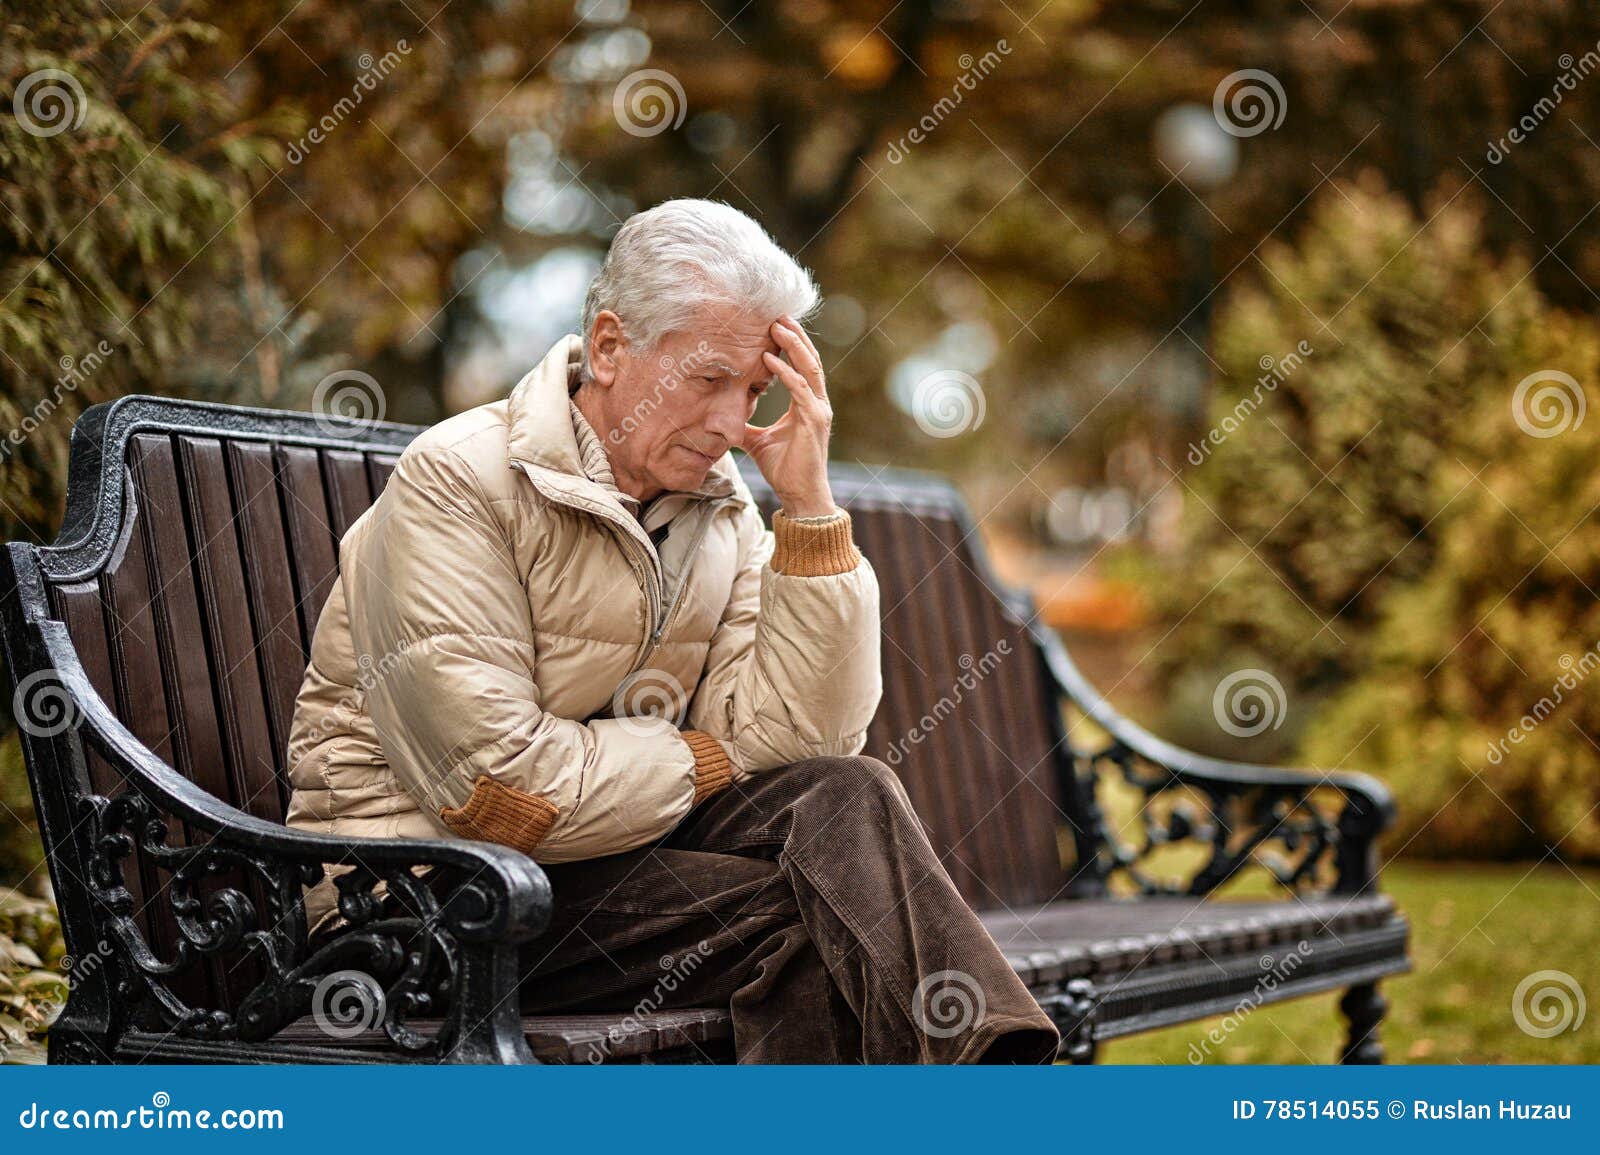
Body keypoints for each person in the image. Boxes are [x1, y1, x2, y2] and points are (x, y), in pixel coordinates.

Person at [283, 197, 1060, 1063]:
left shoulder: (718, 510)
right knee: (815, 915)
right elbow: (499, 794)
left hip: (611, 864)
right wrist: (701, 757)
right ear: (612, 348)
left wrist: (807, 509)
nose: (734, 424)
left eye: (756, 390)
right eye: (709, 378)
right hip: (424, 899)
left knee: (847, 791)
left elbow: (808, 739)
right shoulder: (460, 482)